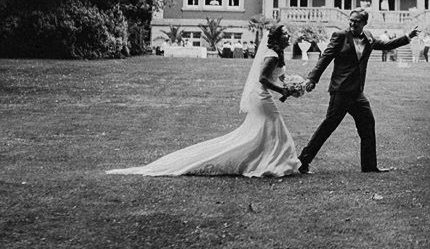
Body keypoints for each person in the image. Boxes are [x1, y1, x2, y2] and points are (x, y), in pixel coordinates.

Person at [106, 24, 301, 178]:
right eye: (285, 34)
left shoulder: (277, 55)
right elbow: (263, 79)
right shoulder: (272, 56)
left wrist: (293, 86)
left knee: (262, 132)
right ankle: (273, 163)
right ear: (277, 37)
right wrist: (283, 90)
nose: (288, 36)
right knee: (275, 128)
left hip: (263, 96)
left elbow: (278, 77)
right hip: (261, 97)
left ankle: (265, 160)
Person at [297, 9, 417, 173]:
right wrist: (313, 79)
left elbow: (386, 45)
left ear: (364, 23)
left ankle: (369, 166)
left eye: (356, 21)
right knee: (328, 127)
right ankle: (302, 162)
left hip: (357, 93)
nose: (352, 23)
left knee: (368, 125)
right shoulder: (340, 36)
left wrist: (408, 37)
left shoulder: (367, 36)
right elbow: (325, 57)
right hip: (341, 91)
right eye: (351, 20)